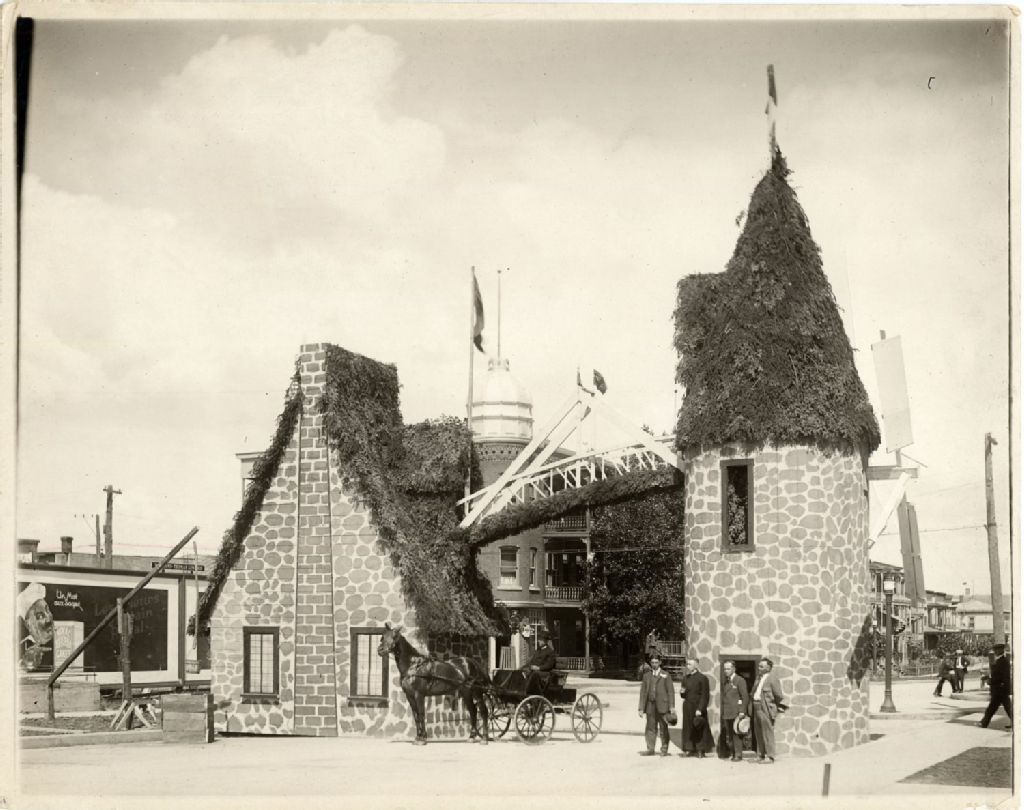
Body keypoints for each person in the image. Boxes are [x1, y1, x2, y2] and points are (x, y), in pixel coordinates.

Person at [638, 653, 675, 757]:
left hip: (663, 706)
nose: (654, 664)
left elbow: (671, 692)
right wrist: (641, 708)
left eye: (656, 662)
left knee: (663, 729)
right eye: (652, 662)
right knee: (650, 728)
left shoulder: (666, 675)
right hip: (650, 706)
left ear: (660, 663)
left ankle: (664, 749)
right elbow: (643, 692)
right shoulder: (646, 676)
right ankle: (650, 749)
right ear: (650, 663)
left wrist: (672, 706)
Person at [750, 658, 786, 764]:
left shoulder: (772, 679)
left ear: (768, 668)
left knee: (767, 732)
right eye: (759, 666)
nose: (759, 668)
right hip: (756, 707)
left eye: (761, 666)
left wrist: (772, 706)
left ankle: (770, 757)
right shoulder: (758, 678)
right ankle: (760, 755)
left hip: (765, 708)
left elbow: (779, 695)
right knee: (758, 732)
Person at [679, 657, 715, 757]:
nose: (687, 666)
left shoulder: (702, 678)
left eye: (690, 664)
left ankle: (700, 750)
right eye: (687, 664)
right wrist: (682, 692)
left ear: (696, 665)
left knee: (699, 727)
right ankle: (689, 748)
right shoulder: (685, 678)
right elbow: (683, 694)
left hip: (698, 706)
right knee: (688, 727)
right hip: (687, 706)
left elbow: (705, 695)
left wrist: (700, 709)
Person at [18, 582, 54, 672]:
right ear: (28, 624)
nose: (48, 619)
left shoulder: (60, 641)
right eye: (40, 616)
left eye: (47, 610)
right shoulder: (21, 647)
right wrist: (26, 663)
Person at [718, 660, 750, 762]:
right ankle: (733, 753)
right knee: (730, 735)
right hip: (727, 712)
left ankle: (738, 755)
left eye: (728, 669)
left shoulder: (740, 680)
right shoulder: (726, 681)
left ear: (734, 669)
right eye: (724, 669)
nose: (726, 671)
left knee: (737, 734)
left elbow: (745, 697)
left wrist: (742, 711)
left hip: (736, 712)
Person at [979, 643, 1012, 729]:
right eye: (995, 650)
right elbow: (996, 674)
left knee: (992, 708)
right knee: (1006, 708)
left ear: (1001, 650)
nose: (995, 651)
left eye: (996, 650)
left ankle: (984, 723)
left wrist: (991, 681)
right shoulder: (1000, 660)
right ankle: (1016, 722)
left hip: (1000, 689)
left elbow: (1002, 676)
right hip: (1000, 689)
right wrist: (988, 677)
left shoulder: (1003, 661)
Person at [520, 628, 556, 695]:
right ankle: (518, 690)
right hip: (534, 672)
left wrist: (538, 668)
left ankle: (526, 692)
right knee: (519, 672)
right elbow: (531, 661)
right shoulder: (538, 650)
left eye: (540, 639)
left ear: (545, 641)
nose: (538, 641)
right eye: (539, 639)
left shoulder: (550, 652)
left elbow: (549, 665)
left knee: (534, 674)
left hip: (544, 673)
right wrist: (524, 667)